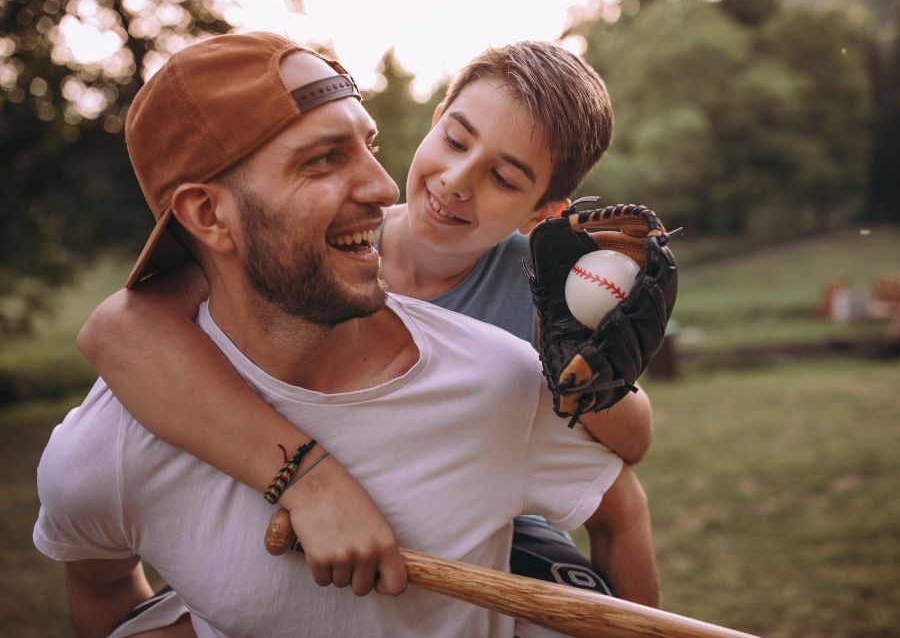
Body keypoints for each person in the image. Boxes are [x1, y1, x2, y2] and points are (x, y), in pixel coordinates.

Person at [34, 32, 658, 638]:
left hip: (503, 528)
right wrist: (307, 479)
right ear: (438, 119)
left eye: (505, 178)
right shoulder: (321, 253)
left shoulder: (526, 328)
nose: (451, 182)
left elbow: (624, 461)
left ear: (543, 210)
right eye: (456, 140)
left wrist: (587, 376)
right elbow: (118, 329)